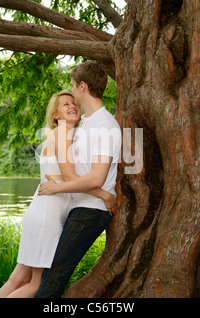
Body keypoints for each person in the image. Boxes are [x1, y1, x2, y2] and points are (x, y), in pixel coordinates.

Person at [0, 91, 116, 298]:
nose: (72, 106)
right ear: (55, 115)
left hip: (41, 211)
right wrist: (104, 194)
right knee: (37, 283)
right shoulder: (60, 134)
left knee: (18, 278)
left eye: (74, 103)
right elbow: (70, 178)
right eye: (65, 104)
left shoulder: (68, 135)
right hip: (47, 216)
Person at [35, 60, 122, 297]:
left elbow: (96, 177)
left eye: (73, 86)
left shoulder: (106, 126)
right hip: (79, 206)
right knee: (50, 276)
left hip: (91, 211)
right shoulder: (84, 123)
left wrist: (57, 188)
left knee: (52, 280)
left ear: (82, 86)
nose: (72, 91)